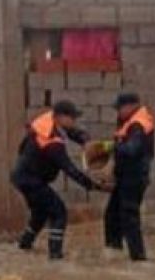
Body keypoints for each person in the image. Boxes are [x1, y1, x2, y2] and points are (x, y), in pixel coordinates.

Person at [11, 100, 101, 260]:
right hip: (31, 180)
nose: (74, 121)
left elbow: (72, 132)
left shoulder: (49, 123)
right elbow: (69, 169)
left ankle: (24, 245)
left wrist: (85, 140)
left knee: (40, 213)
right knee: (59, 213)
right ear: (60, 117)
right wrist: (91, 185)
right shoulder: (52, 142)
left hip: (23, 176)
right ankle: (55, 256)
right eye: (72, 117)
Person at [103, 92, 155, 262]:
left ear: (130, 106)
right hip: (124, 177)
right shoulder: (129, 122)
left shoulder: (137, 125)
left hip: (134, 178)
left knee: (129, 218)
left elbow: (132, 149)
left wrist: (112, 147)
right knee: (112, 215)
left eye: (120, 108)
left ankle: (138, 258)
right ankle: (114, 252)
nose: (118, 112)